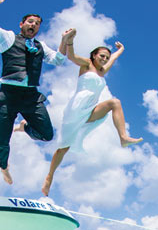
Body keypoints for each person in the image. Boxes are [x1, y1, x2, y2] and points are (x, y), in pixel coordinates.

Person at [0, 0, 72, 184]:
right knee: (2, 138)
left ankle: (24, 127)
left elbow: (59, 60)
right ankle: (4, 166)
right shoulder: (8, 38)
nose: (33, 25)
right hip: (9, 95)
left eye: (37, 23)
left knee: (47, 134)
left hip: (30, 96)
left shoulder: (41, 46)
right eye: (30, 21)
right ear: (22, 24)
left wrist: (64, 41)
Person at [41, 28, 142, 196]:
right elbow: (71, 57)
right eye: (102, 56)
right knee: (63, 148)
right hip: (76, 109)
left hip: (91, 109)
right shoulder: (86, 64)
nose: (105, 59)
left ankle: (123, 138)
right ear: (94, 55)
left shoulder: (103, 71)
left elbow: (114, 58)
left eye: (107, 57)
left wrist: (121, 50)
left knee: (114, 103)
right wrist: (71, 40)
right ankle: (49, 177)